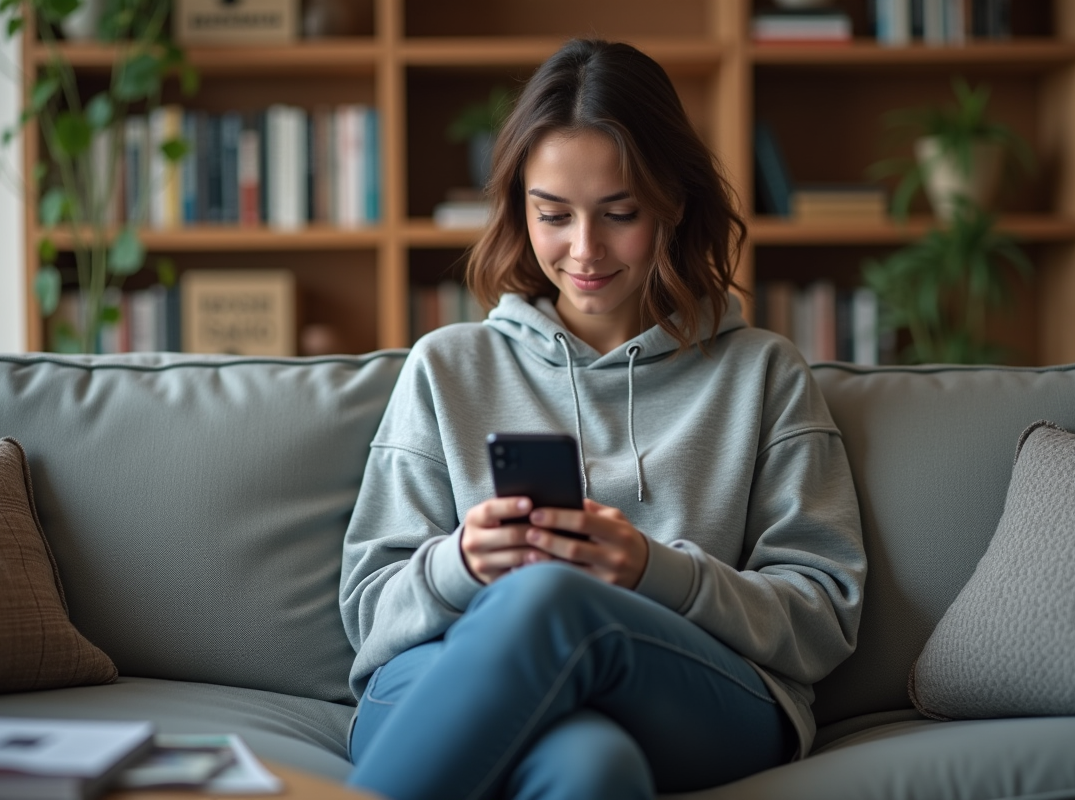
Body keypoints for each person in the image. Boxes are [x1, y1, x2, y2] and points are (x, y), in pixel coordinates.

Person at [339, 38, 866, 800]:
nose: (584, 250)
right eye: (552, 214)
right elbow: (366, 611)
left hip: (695, 691)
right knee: (591, 770)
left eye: (620, 214)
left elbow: (823, 615)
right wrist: (465, 563)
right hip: (444, 673)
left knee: (551, 599)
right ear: (521, 207)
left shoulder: (763, 373)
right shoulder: (448, 367)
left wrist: (658, 572)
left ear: (674, 204)